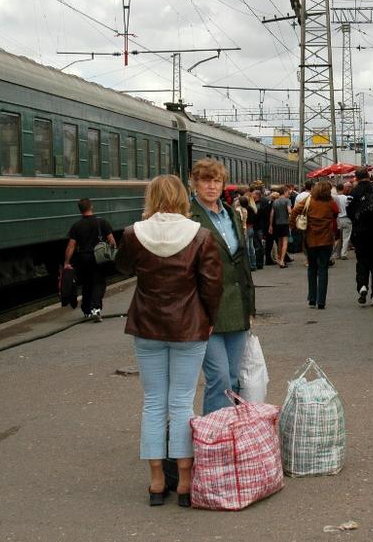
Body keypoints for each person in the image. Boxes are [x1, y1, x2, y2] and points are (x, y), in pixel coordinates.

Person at [114, 174, 223, 508]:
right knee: (181, 403)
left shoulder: (134, 234)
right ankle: (186, 483)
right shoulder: (200, 235)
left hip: (147, 327)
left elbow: (121, 267)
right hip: (189, 329)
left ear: (152, 198)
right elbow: (212, 286)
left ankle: (157, 481)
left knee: (153, 403)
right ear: (181, 198)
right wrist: (209, 320)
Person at [188, 159, 256, 415]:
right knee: (220, 379)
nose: (211, 186)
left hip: (236, 305)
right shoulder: (188, 216)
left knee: (234, 377)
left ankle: (229, 434)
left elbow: (242, 263)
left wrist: (250, 304)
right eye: (206, 180)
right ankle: (216, 440)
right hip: (206, 309)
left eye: (216, 180)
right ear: (194, 183)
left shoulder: (232, 213)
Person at [63, 198, 116, 322]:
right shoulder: (102, 222)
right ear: (91, 207)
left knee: (87, 284)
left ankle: (86, 310)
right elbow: (112, 241)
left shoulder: (76, 226)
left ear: (80, 210)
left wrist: (66, 262)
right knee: (99, 283)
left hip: (83, 258)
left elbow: (71, 246)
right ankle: (95, 309)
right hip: (99, 258)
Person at [290, 180, 340, 309]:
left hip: (311, 239)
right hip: (327, 240)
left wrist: (293, 227)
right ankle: (321, 301)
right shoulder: (330, 202)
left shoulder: (309, 200)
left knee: (312, 268)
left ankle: (312, 299)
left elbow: (294, 211)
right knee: (323, 269)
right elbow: (336, 212)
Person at [348, 167, 373, 306]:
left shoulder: (353, 193)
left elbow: (349, 212)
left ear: (356, 178)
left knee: (362, 261)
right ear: (369, 175)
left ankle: (362, 286)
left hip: (360, 233)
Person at [270, 186, 293, 268]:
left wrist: (270, 225)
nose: (289, 194)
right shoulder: (287, 201)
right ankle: (282, 261)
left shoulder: (275, 201)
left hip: (277, 224)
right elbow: (290, 211)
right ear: (284, 192)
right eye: (288, 193)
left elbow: (272, 214)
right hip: (285, 223)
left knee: (279, 242)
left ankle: (279, 258)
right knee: (285, 243)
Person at [253, 187, 272, 268]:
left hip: (258, 226)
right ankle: (263, 261)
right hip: (264, 225)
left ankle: (259, 262)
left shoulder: (258, 204)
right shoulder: (265, 201)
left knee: (258, 245)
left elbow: (258, 215)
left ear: (257, 195)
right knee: (262, 244)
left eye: (253, 194)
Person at [333, 182, 352, 260]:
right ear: (343, 189)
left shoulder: (334, 198)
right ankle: (343, 254)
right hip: (347, 219)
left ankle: (336, 254)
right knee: (346, 238)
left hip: (338, 219)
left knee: (338, 238)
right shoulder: (347, 198)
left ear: (336, 189)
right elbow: (350, 208)